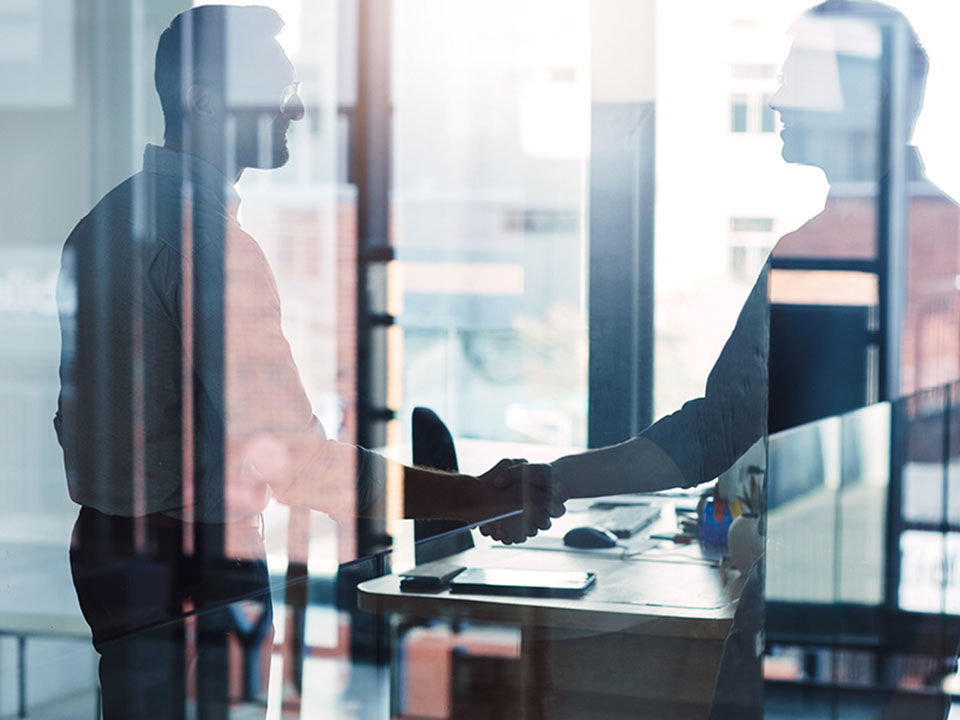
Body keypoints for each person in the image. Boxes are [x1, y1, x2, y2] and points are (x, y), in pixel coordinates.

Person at [54, 6, 561, 718]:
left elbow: (81, 423)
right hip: (192, 575)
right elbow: (296, 460)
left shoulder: (101, 224)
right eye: (276, 87)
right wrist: (474, 497)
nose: (295, 107)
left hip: (115, 560)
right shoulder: (209, 246)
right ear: (204, 98)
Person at [485, 1, 960, 717]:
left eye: (798, 75)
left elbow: (717, 432)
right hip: (893, 623)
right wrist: (547, 480)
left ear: (861, 97)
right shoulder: (867, 243)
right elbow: (724, 429)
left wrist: (543, 482)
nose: (775, 98)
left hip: (840, 624)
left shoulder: (835, 253)